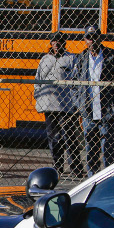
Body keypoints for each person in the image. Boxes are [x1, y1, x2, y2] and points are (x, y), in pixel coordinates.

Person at [72, 25, 114, 176]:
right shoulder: (82, 58)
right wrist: (80, 105)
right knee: (90, 148)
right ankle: (92, 178)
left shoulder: (112, 56)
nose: (92, 40)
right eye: (89, 37)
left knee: (109, 149)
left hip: (107, 111)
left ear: (100, 38)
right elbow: (73, 84)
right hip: (88, 111)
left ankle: (109, 178)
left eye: (95, 36)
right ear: (85, 40)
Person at [34, 31, 83, 176]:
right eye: (54, 41)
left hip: (67, 105)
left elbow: (77, 81)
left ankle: (76, 167)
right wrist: (38, 97)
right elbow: (38, 80)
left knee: (69, 136)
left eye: (59, 41)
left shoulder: (71, 59)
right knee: (53, 137)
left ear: (64, 43)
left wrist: (76, 101)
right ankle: (58, 166)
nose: (56, 44)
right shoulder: (45, 60)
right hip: (49, 104)